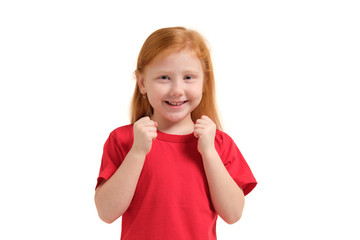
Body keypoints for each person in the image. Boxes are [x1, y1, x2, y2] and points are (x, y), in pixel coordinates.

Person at [94, 26, 257, 239]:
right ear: (142, 83)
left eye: (188, 77)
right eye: (164, 77)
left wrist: (209, 152)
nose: (177, 89)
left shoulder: (219, 144)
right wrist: (137, 152)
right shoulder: (124, 140)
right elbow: (106, 212)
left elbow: (233, 214)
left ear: (204, 82)